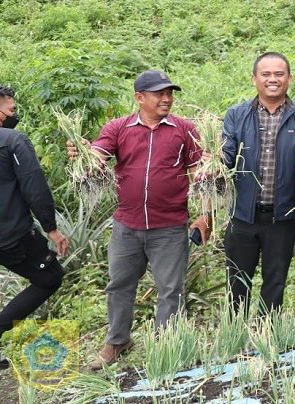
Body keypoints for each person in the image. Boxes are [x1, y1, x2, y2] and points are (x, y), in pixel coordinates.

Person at [73, 69, 210, 370]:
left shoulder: (184, 129)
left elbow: (205, 174)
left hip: (170, 226)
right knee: (119, 284)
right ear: (139, 97)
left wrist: (206, 214)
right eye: (159, 93)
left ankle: (166, 346)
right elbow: (97, 157)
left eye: (169, 93)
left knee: (170, 290)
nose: (167, 98)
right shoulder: (118, 128)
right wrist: (83, 157)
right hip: (127, 225)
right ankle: (117, 340)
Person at [222, 52, 295, 313]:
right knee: (237, 283)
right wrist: (214, 159)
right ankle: (236, 338)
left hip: (283, 216)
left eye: (279, 74)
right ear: (255, 79)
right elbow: (227, 155)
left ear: (289, 79)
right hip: (243, 215)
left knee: (275, 282)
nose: (272, 79)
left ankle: (268, 338)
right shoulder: (236, 115)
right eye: (266, 74)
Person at [0, 85, 69, 370]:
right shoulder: (12, 140)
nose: (14, 114)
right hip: (11, 236)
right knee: (49, 278)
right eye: (11, 109)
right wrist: (51, 228)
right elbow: (34, 186)